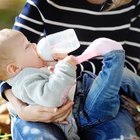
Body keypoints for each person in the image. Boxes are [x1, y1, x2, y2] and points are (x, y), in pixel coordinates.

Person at [0, 0, 140, 139]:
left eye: (31, 43)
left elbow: (126, 67)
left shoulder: (133, 5)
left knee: (120, 134)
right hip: (46, 110)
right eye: (28, 45)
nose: (34, 45)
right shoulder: (43, 3)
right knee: (39, 135)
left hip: (100, 93)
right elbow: (8, 65)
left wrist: (70, 65)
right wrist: (20, 109)